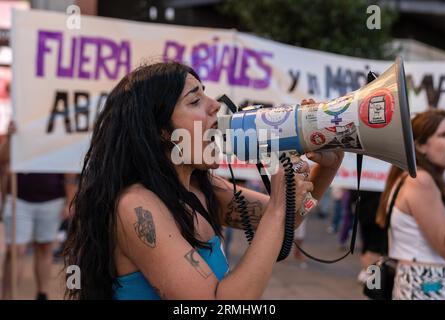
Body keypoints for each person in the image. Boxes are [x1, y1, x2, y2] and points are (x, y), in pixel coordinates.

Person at [63, 61, 343, 300]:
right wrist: (278, 206)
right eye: (195, 100)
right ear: (162, 130)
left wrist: (330, 166)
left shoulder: (202, 187)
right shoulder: (137, 207)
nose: (216, 106)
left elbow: (291, 219)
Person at [376, 109, 445, 300]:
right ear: (420, 146)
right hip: (428, 284)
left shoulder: (413, 178)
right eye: (444, 135)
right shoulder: (421, 182)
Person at [0, 123, 78, 300]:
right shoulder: (20, 125)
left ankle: (42, 293)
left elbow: (68, 170)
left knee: (45, 247)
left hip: (51, 200)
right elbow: (2, 159)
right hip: (18, 198)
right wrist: (11, 137)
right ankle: (7, 295)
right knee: (16, 250)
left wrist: (69, 200)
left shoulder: (58, 129)